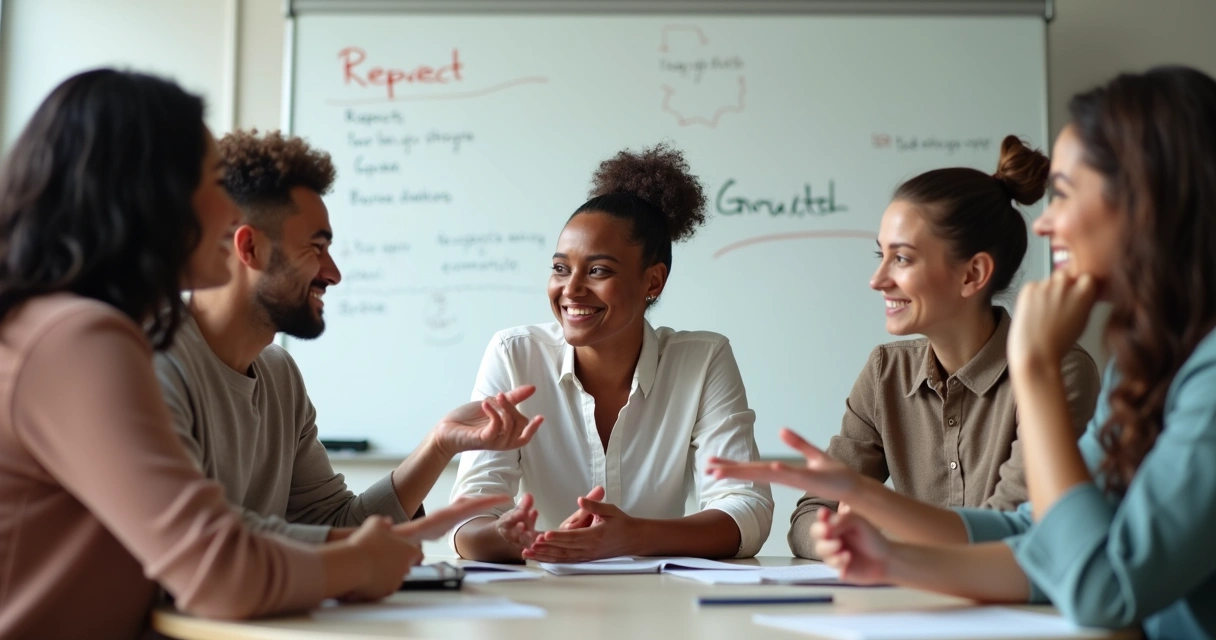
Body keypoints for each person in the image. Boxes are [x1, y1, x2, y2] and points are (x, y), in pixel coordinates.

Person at [0, 69, 501, 640]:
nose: (227, 208)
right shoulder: (81, 340)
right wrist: (359, 563)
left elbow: (230, 544)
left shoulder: (71, 329)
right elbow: (219, 568)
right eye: (211, 181)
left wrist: (369, 538)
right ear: (150, 192)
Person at [807, 67, 1215, 639]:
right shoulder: (1148, 362)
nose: (1044, 223)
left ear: (1147, 201)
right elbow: (1042, 537)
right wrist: (890, 558)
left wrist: (1035, 368)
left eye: (1065, 195)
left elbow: (1104, 587)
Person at [712, 137, 1101, 559]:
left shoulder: (1057, 372)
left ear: (973, 274)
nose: (877, 280)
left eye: (902, 259)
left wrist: (882, 532)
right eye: (882, 255)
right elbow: (812, 512)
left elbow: (1016, 531)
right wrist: (833, 539)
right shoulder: (885, 372)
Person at [155, 129, 541, 542]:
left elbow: (334, 524)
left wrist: (438, 445)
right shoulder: (154, 359)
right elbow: (199, 538)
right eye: (315, 248)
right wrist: (372, 547)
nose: (333, 273)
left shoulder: (279, 374)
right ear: (249, 248)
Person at [450, 144, 774, 563]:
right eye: (560, 268)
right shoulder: (515, 354)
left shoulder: (702, 359)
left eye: (598, 270)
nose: (571, 289)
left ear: (653, 281)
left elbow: (746, 511)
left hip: (660, 608)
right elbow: (466, 526)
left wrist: (634, 537)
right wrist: (521, 537)